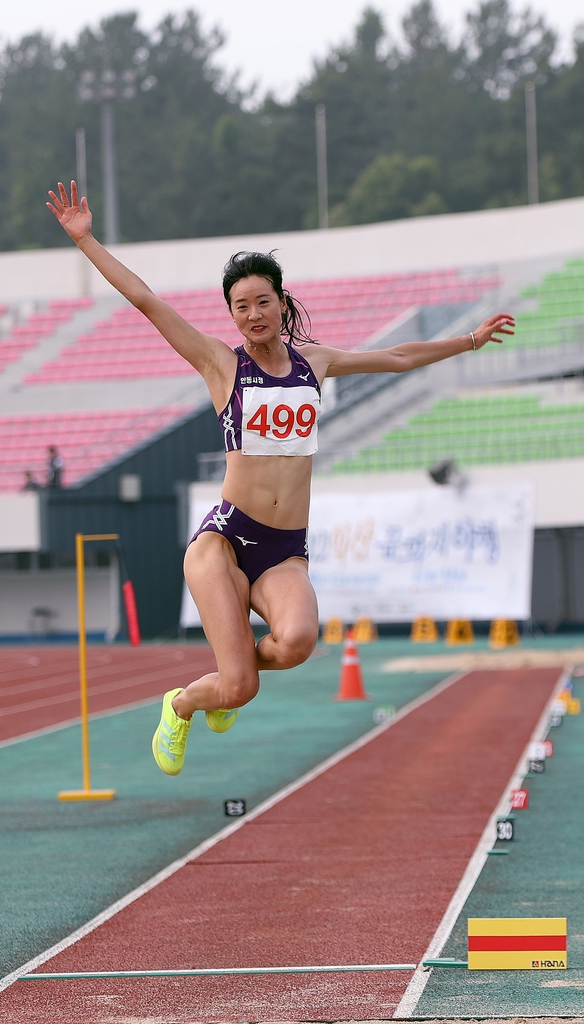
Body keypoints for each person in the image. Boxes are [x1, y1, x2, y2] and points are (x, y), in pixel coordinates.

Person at [47, 180, 515, 777]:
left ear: (281, 303)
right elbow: (146, 300)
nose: (251, 314)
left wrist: (468, 341)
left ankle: (222, 676)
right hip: (225, 539)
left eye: (261, 302)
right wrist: (87, 241)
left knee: (296, 643)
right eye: (239, 306)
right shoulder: (221, 364)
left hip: (282, 548)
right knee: (241, 689)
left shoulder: (313, 363)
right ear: (232, 315)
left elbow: (396, 358)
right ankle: (184, 702)